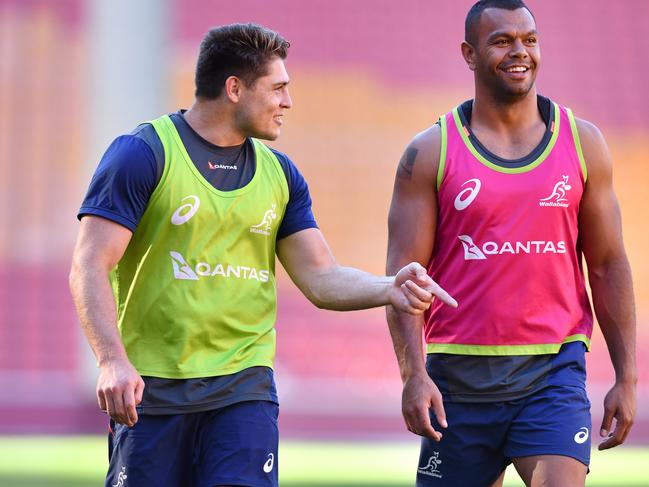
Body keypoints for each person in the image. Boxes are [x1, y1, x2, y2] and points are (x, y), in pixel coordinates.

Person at [69, 23, 457, 487]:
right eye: (278, 88)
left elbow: (320, 277)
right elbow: (90, 263)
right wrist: (111, 360)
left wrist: (388, 288)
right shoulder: (142, 154)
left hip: (243, 391)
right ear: (234, 88)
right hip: (152, 393)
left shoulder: (280, 174)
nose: (287, 102)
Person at [385, 1, 637, 486]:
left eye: (530, 39)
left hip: (551, 375)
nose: (520, 52)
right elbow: (406, 281)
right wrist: (413, 375)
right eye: (502, 41)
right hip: (457, 381)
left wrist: (627, 377)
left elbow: (607, 265)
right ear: (470, 53)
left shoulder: (583, 144)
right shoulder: (429, 152)